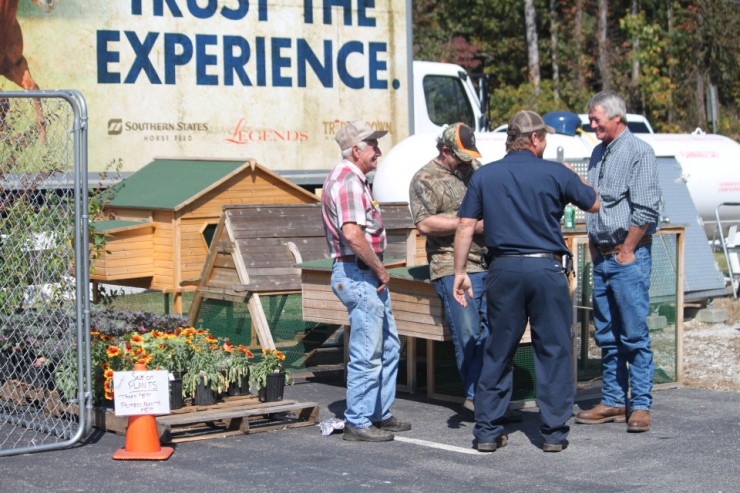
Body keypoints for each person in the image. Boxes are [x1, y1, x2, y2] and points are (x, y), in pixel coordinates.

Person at [453, 110, 599, 452]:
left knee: (498, 349)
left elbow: (464, 227)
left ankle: (488, 431)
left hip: (502, 270)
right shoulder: (554, 172)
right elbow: (593, 204)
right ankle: (552, 434)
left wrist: (460, 273)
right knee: (553, 349)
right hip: (546, 271)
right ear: (535, 139)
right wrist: (567, 179)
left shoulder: (485, 176)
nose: (545, 143)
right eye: (544, 137)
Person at [575, 91, 661, 433]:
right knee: (607, 334)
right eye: (591, 119)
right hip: (604, 257)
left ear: (616, 118)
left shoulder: (640, 152)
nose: (592, 124)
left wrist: (627, 250)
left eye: (596, 119)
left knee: (634, 334)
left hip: (628, 258)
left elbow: (645, 209)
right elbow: (598, 203)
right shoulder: (598, 154)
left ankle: (640, 405)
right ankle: (612, 400)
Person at [321, 120, 411, 442]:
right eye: (373, 144)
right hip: (359, 273)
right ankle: (358, 421)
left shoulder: (352, 179)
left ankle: (378, 414)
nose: (378, 151)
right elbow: (352, 234)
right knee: (367, 352)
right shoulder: (347, 182)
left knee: (388, 346)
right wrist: (381, 270)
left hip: (362, 273)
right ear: (356, 150)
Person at [408, 123, 489, 413]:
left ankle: (490, 393)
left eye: (470, 155)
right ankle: (476, 398)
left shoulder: (477, 169)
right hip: (451, 264)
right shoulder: (424, 179)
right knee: (467, 331)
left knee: (496, 330)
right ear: (445, 151)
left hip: (488, 260)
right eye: (461, 156)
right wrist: (467, 224)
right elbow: (425, 223)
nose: (467, 161)